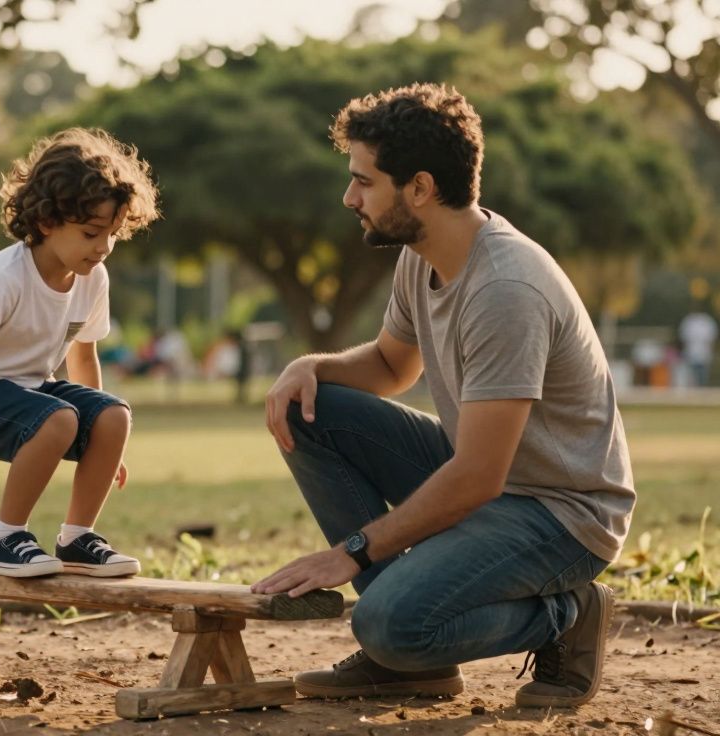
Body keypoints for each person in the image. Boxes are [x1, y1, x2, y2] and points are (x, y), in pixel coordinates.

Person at [252, 83, 633, 709]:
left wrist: (352, 552)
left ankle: (565, 613)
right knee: (309, 406)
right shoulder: (423, 253)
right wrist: (310, 365)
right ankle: (405, 661)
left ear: (420, 188)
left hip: (561, 512)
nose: (350, 197)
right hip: (487, 477)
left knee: (390, 623)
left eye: (364, 181)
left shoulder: (506, 289)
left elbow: (480, 476)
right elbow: (387, 365)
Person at [0, 127, 159, 578]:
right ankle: (4, 537)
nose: (104, 247)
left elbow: (84, 358)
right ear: (48, 222)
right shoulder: (4, 279)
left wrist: (104, 445)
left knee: (114, 416)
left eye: (112, 234)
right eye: (91, 233)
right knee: (59, 418)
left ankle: (76, 539)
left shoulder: (93, 277)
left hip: (28, 390)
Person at [679, 309, 717, 388]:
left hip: (703, 352)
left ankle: (702, 389)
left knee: (702, 375)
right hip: (691, 352)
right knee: (692, 375)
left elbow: (711, 339)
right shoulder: (689, 320)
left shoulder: (707, 321)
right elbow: (684, 339)